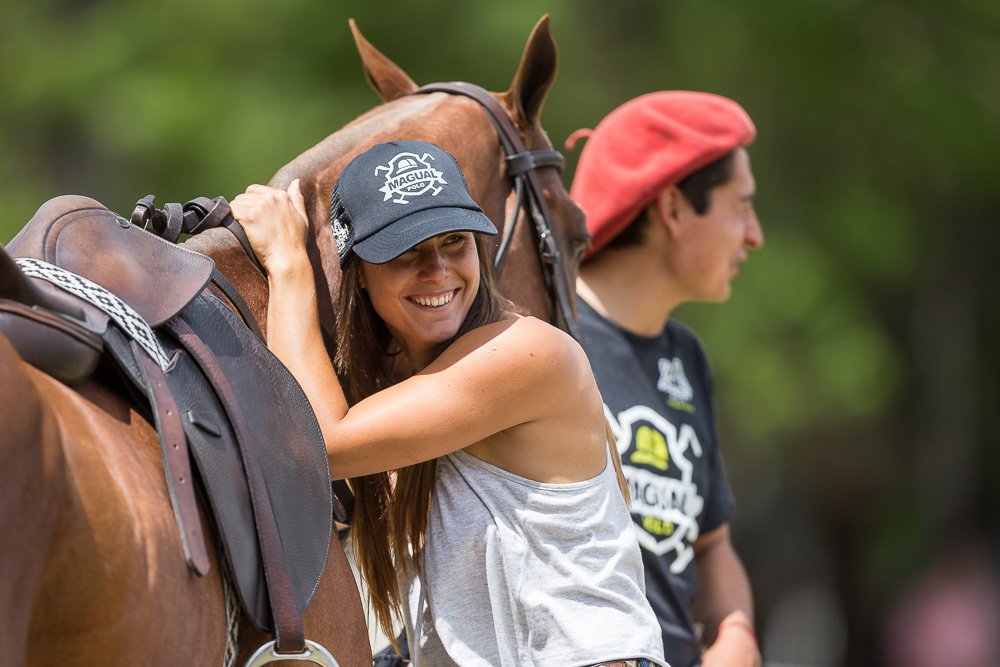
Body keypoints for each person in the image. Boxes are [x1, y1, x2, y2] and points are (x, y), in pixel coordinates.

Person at [231, 140, 666, 667]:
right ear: (360, 274)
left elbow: (323, 443)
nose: (437, 270)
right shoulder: (403, 386)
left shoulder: (528, 353)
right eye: (406, 250)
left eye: (454, 242)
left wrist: (287, 263)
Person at [566, 92, 764, 667]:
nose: (755, 235)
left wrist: (735, 633)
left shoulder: (688, 355)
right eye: (742, 206)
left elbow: (712, 543)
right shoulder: (541, 340)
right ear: (673, 208)